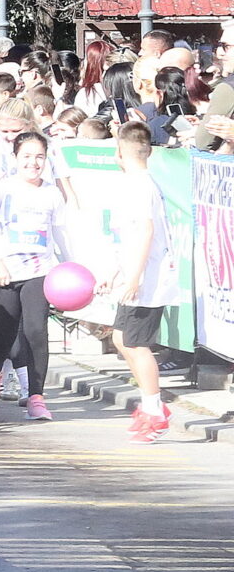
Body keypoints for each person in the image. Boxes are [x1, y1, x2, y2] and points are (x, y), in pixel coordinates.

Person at [0, 131, 69, 421]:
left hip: (39, 271)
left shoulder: (52, 194)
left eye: (39, 157)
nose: (34, 163)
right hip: (5, 273)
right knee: (3, 336)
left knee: (36, 331)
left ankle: (36, 397)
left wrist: (69, 267)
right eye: (27, 156)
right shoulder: (3, 189)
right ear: (15, 158)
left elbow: (62, 234)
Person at [104, 122, 184, 442]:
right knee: (122, 339)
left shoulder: (141, 185)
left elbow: (146, 232)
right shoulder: (132, 183)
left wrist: (135, 277)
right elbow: (126, 235)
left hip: (148, 277)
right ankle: (151, 404)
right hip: (133, 273)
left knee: (137, 343)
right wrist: (115, 271)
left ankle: (155, 412)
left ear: (121, 152)